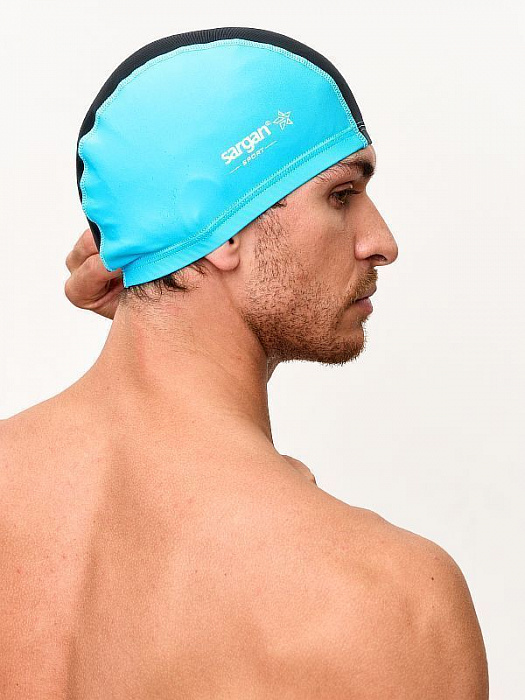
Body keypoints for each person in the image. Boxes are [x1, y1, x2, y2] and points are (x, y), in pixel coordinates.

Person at [0, 27, 488, 698]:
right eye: (341, 194)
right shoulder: (386, 599)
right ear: (223, 229)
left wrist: (163, 315)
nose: (381, 241)